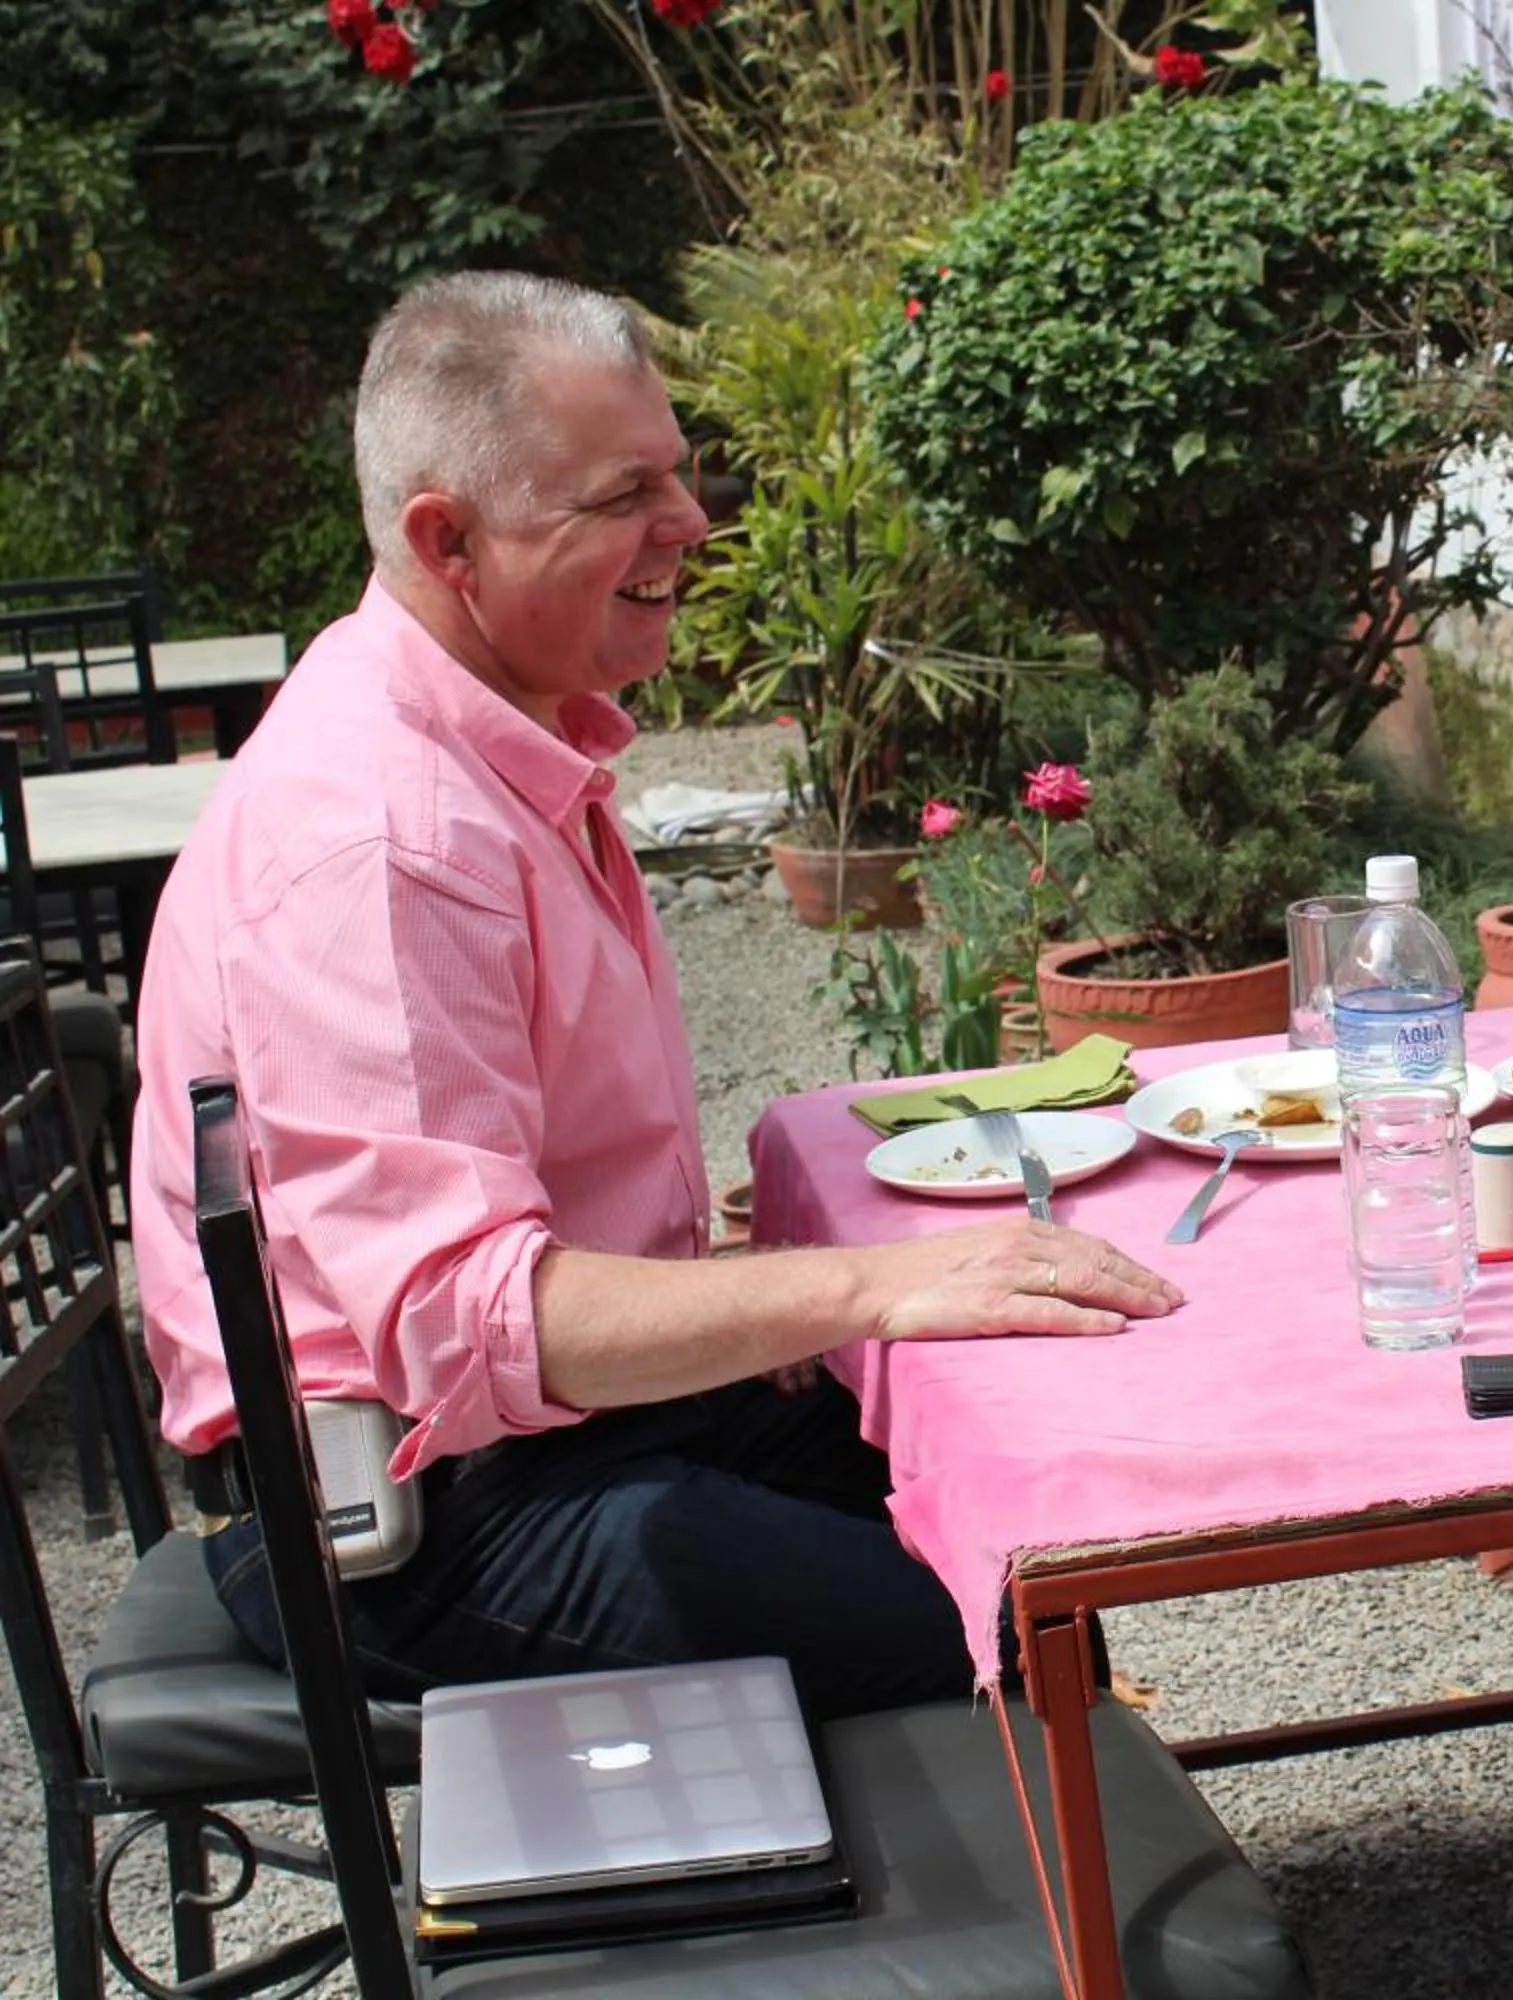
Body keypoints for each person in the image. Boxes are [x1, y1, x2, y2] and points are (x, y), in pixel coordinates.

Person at [128, 271, 1182, 1722]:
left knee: (1010, 1452)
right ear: (450, 541)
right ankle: (1000, 1921)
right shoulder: (382, 839)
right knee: (967, 1619)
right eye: (627, 493)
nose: (688, 524)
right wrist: (863, 1282)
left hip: (530, 1430)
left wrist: (796, 1302)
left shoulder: (494, 730)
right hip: (396, 1515)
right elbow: (460, 1320)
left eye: (678, 472)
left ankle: (1063, 1882)